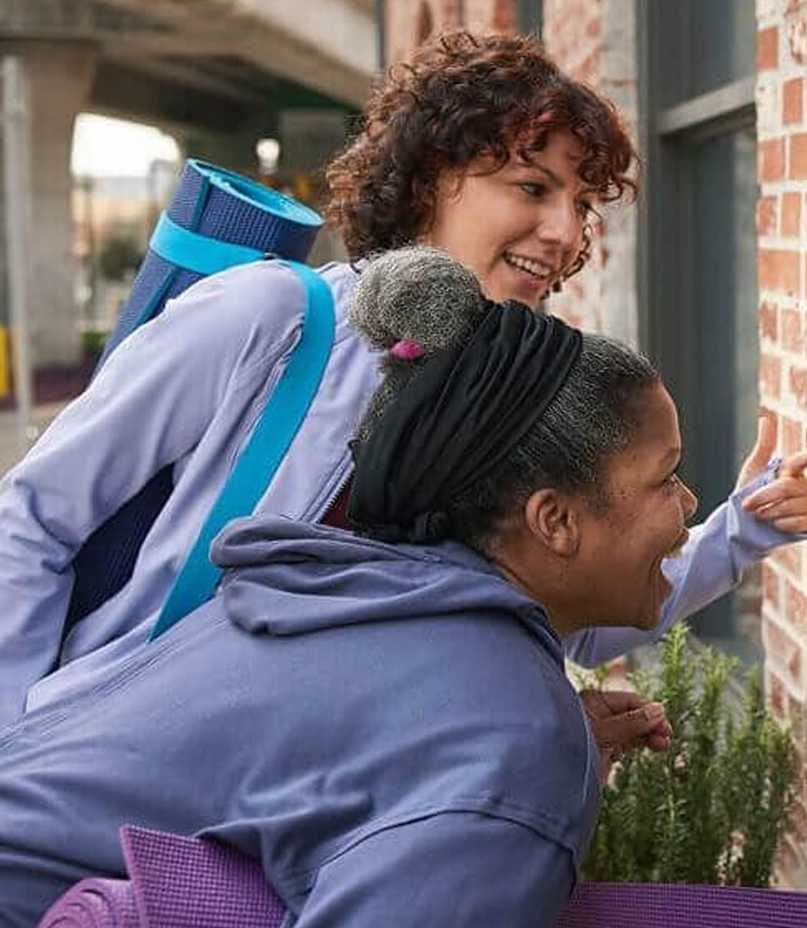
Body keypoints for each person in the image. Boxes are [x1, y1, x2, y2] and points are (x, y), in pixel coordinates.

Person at [0, 30, 807, 720]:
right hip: (110, 761)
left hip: (290, 811)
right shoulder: (273, 319)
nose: (566, 233)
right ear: (430, 180)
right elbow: (35, 517)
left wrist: (737, 535)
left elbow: (569, 611)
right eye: (531, 187)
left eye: (581, 204)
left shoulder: (508, 403)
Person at [0, 246, 713, 925]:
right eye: (665, 478)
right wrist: (516, 785)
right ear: (554, 520)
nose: (689, 504)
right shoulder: (509, 741)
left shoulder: (342, 594)